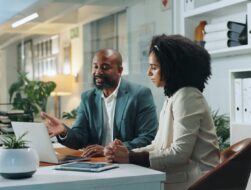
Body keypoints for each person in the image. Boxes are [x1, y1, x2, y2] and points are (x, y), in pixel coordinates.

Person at [104, 35, 220, 190]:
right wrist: (125, 152)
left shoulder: (187, 96)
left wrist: (129, 157)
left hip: (198, 183)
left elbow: (179, 153)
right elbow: (158, 146)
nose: (148, 73)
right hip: (183, 178)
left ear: (171, 68)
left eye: (154, 67)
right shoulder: (174, 96)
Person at [41, 48, 158, 158]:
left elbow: (147, 138)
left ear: (120, 70)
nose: (98, 72)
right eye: (95, 67)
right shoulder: (88, 98)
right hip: (96, 163)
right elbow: (79, 138)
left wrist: (109, 150)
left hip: (128, 163)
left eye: (105, 67)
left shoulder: (139, 94)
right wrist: (64, 131)